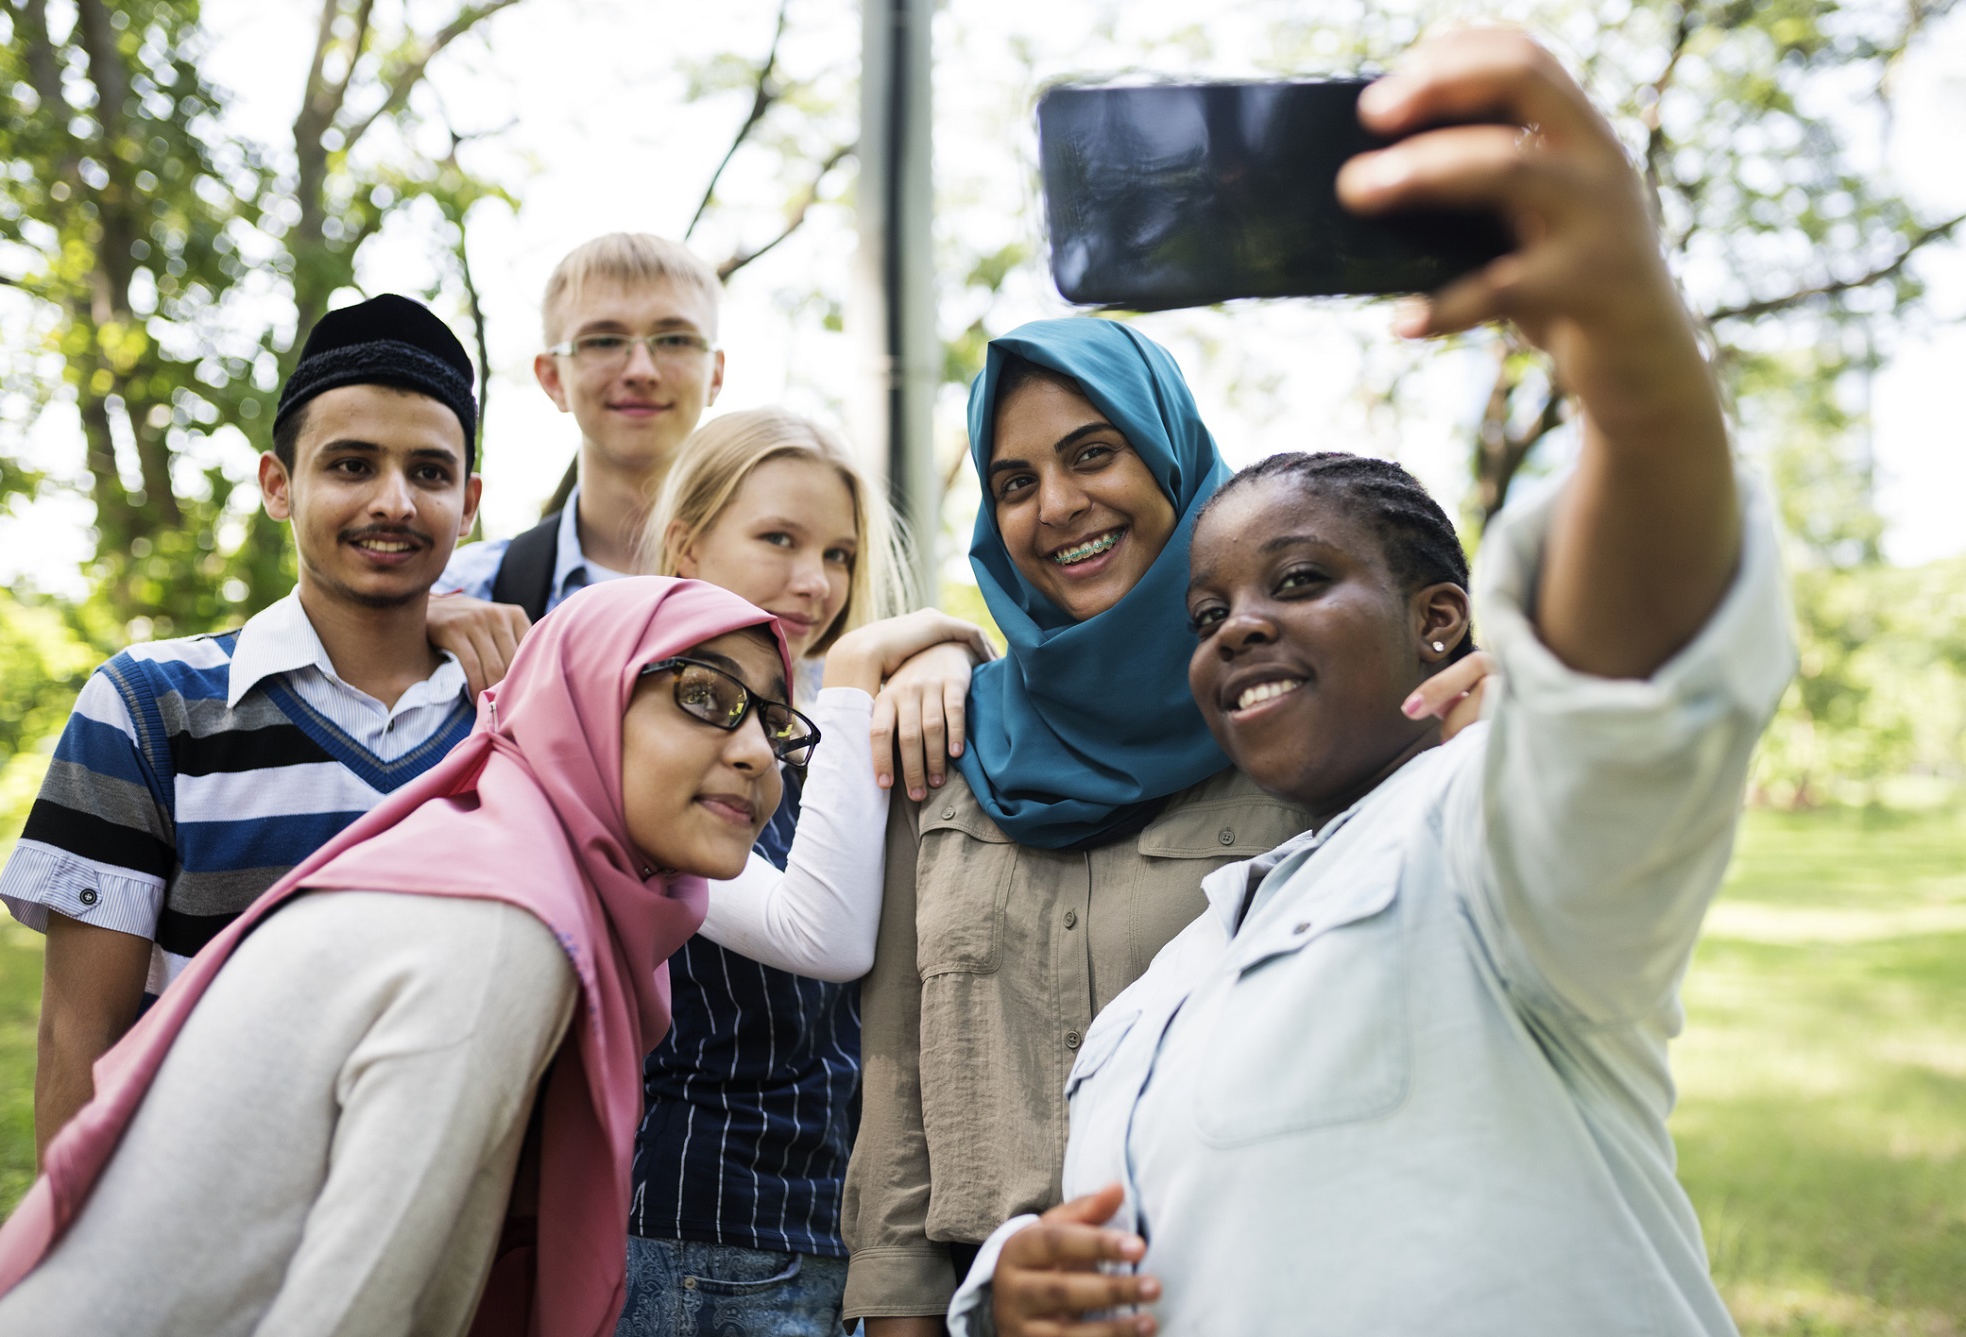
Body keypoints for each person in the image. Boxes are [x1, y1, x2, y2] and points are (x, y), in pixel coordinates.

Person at [954, 30, 1793, 1337]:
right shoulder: (1146, 1011)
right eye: (1207, 610)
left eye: (1296, 581)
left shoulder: (1486, 844)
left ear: (1438, 620)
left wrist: (1634, 358)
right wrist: (1002, 1298)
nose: (1235, 630)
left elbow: (1639, 670)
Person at [840, 313, 1495, 1331]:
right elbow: (896, 1099)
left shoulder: (1301, 728)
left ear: (1172, 461)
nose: (1056, 505)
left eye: (1092, 452)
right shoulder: (943, 736)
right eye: (1013, 481)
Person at [0, 577, 822, 1336]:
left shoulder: (498, 857)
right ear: (587, 695)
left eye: (778, 722)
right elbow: (352, 1309)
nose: (756, 751)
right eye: (706, 696)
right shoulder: (504, 927)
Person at [0, 293, 485, 1161]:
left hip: (450, 1252)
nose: (395, 501)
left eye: (431, 473)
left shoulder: (511, 722)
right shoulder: (149, 706)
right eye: (351, 465)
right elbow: (79, 1038)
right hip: (196, 1242)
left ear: (470, 502)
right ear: (277, 485)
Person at [615, 407, 989, 1336]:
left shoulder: (814, 729)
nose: (814, 581)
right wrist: (870, 661)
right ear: (688, 546)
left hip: (835, 1232)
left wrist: (937, 653)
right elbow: (818, 935)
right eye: (778, 539)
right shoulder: (636, 728)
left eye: (840, 555)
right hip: (697, 1239)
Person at [429, 232, 727, 693]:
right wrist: (400, 624)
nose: (641, 370)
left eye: (673, 339)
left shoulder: (790, 597)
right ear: (552, 378)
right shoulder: (463, 590)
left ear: (716, 374)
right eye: (604, 341)